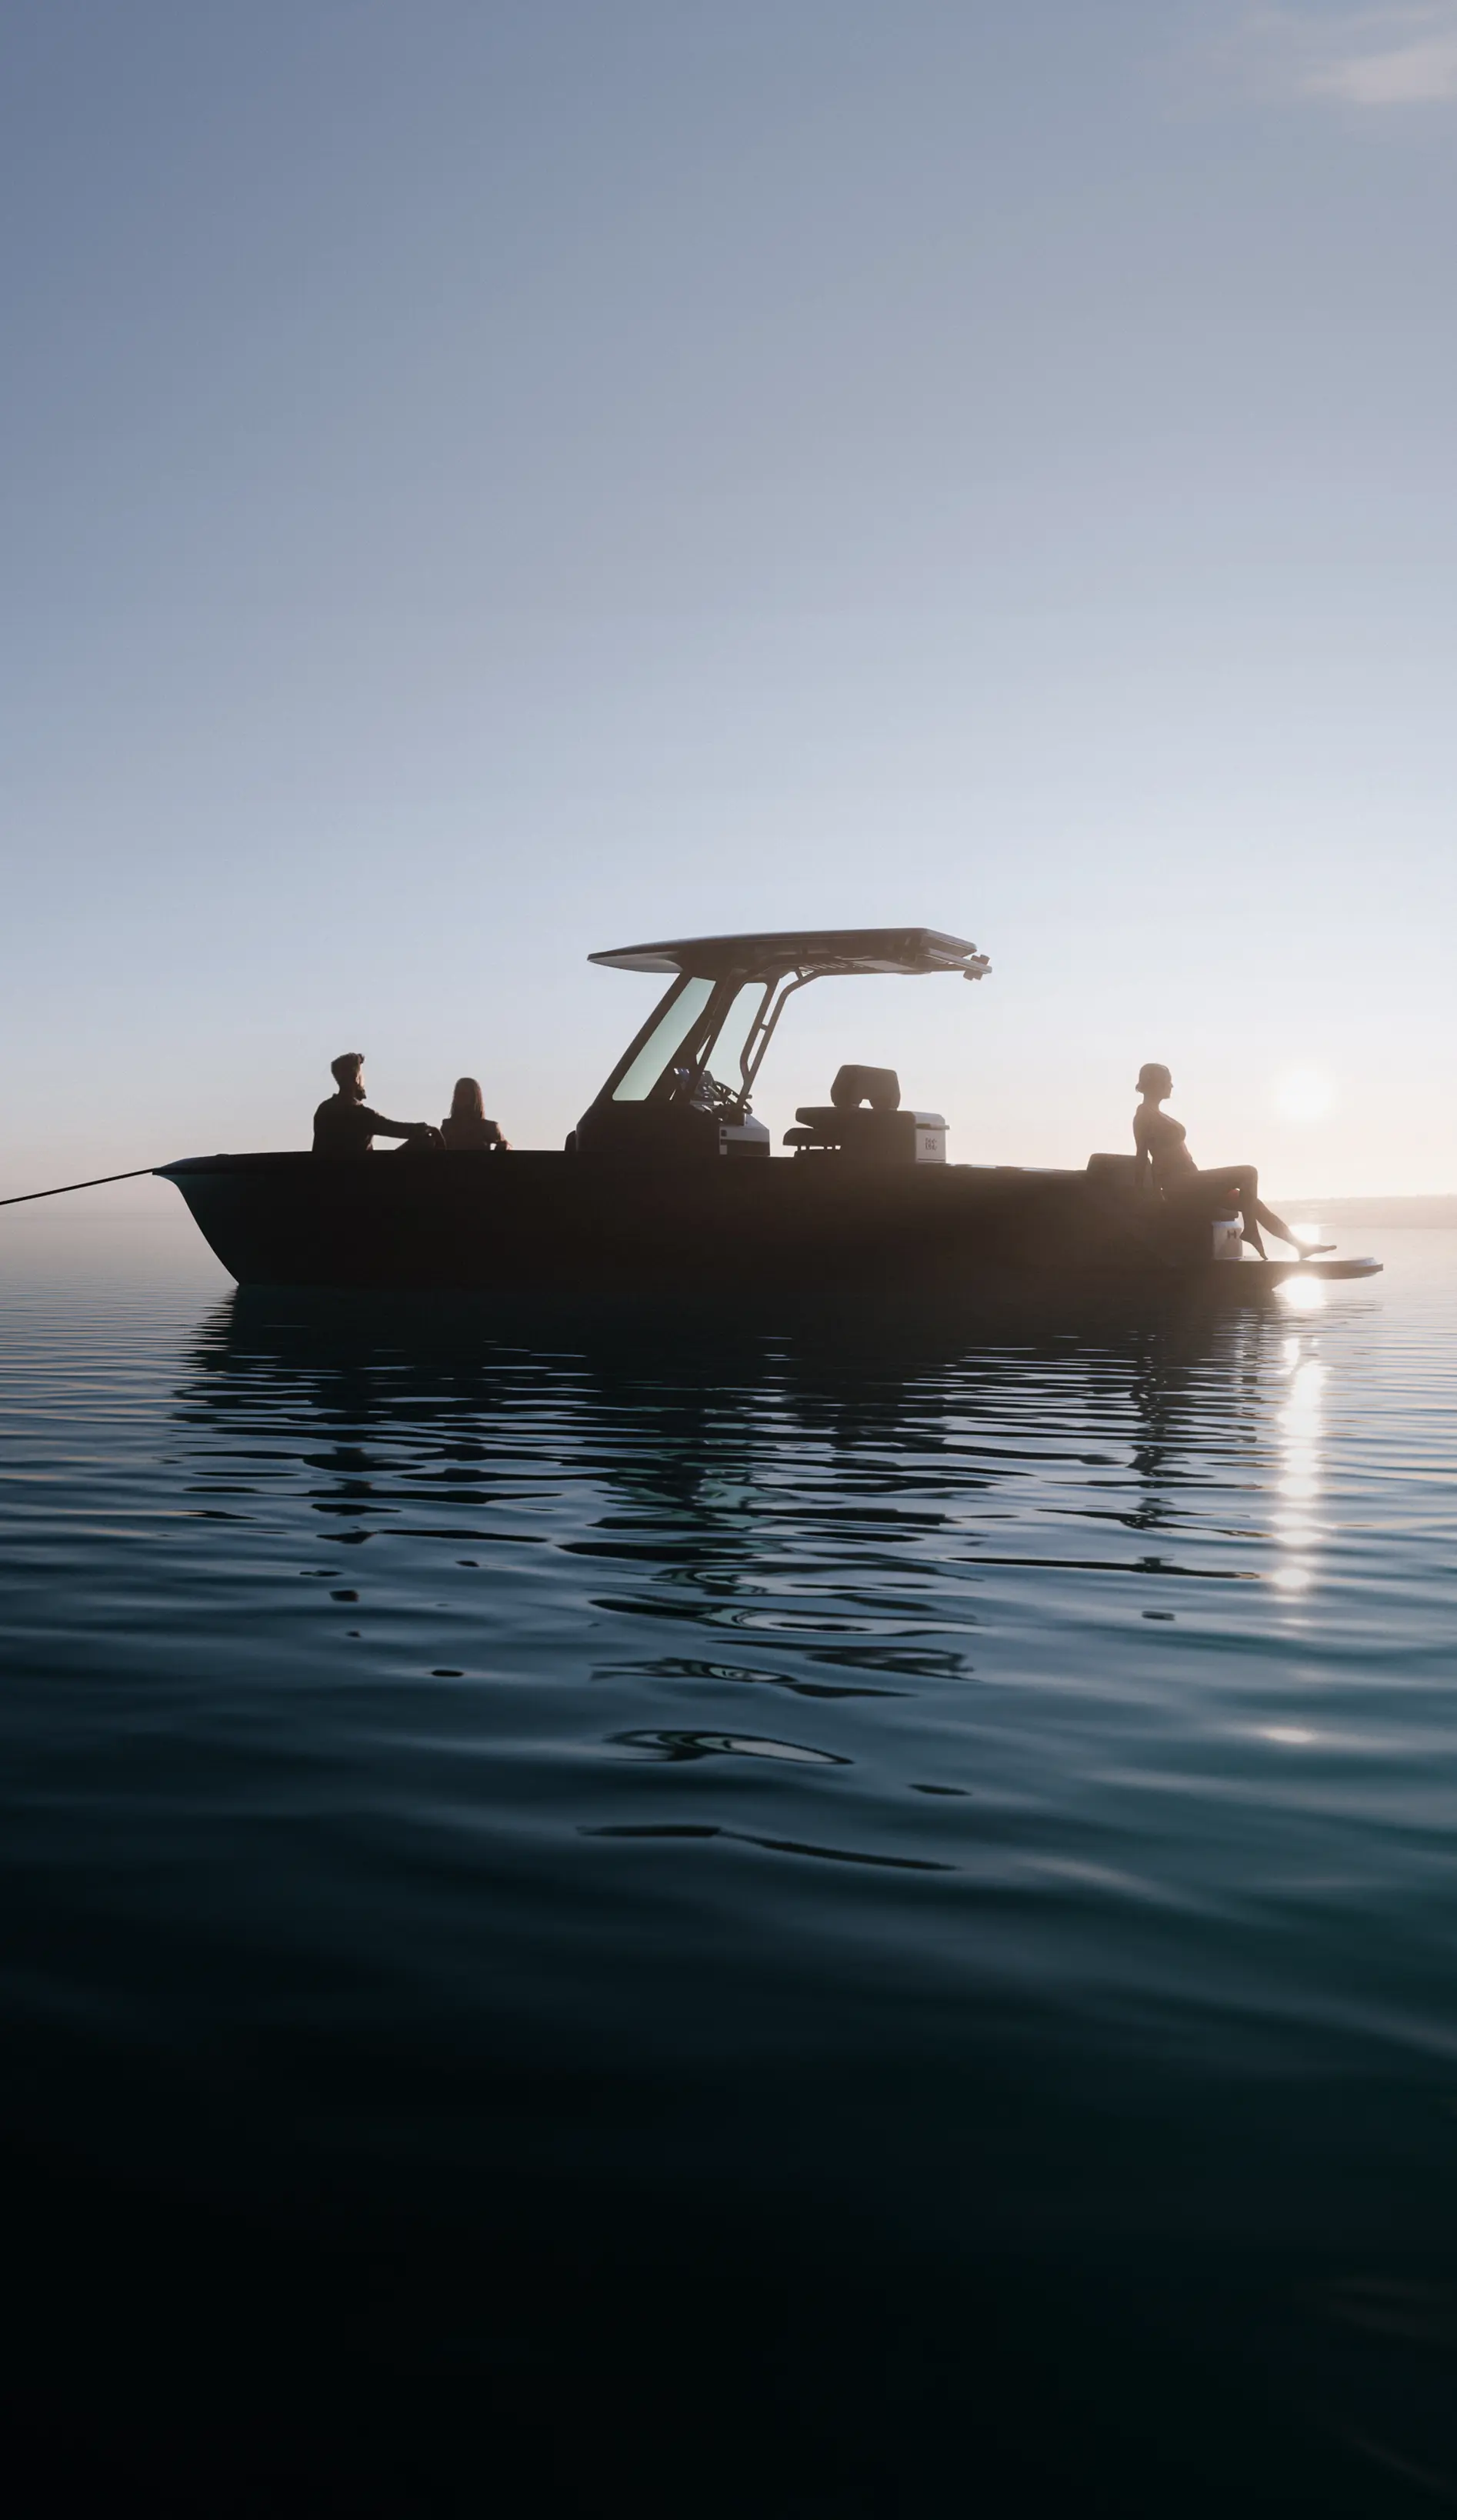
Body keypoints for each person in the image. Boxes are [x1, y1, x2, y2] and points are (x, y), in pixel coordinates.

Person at [1132, 1063, 1332, 1259]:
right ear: (1155, 1083)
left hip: (1193, 1181)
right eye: (1168, 1081)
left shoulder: (1158, 1114)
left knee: (1252, 1202)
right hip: (1179, 1185)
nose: (1172, 1086)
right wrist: (1147, 1197)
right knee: (1248, 1172)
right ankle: (1251, 1232)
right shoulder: (1143, 1116)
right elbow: (1142, 1158)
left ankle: (1300, 1246)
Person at [312, 1053, 439, 1155]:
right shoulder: (363, 1115)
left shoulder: (324, 1110)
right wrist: (426, 1128)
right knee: (426, 1142)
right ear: (356, 1078)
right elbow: (399, 1129)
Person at [441, 1077, 508, 1151]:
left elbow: (506, 1146)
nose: (461, 1098)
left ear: (474, 1097)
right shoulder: (447, 1126)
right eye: (458, 1094)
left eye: (465, 1094)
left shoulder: (489, 1127)